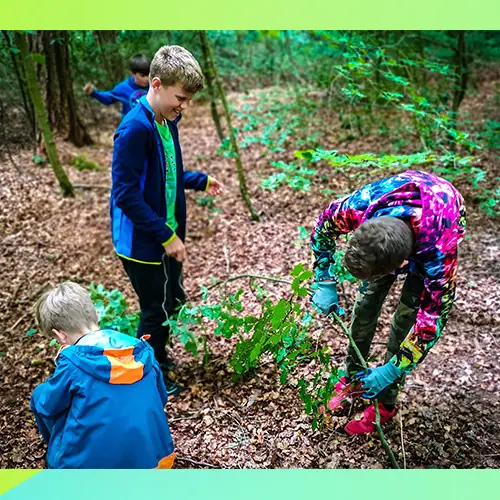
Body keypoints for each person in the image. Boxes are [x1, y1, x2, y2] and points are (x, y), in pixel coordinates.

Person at [310, 170, 466, 435]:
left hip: (439, 222)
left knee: (406, 319)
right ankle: (353, 378)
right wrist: (323, 279)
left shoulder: (439, 253)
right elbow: (323, 227)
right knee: (366, 302)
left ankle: (385, 403)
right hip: (397, 225)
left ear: (403, 265)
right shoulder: (361, 206)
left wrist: (393, 369)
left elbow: (431, 322)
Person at [110, 45, 222, 396]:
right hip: (143, 242)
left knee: (172, 297)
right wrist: (165, 236)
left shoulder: (167, 120)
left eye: (188, 100)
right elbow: (125, 195)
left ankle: (158, 357)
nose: (184, 106)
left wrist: (198, 180)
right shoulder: (134, 130)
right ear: (155, 84)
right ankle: (149, 377)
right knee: (154, 311)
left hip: (166, 233)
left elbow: (165, 171)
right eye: (180, 98)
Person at [30, 282, 175, 469]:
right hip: (155, 459)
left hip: (89, 469)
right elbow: (162, 398)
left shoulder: (73, 365)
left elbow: (47, 405)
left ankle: (61, 455)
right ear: (96, 315)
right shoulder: (141, 351)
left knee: (40, 396)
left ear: (61, 336)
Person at [83, 53, 150, 117]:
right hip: (132, 126)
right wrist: (94, 93)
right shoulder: (124, 88)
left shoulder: (154, 84)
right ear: (132, 73)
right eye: (143, 75)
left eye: (148, 74)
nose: (147, 78)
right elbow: (109, 98)